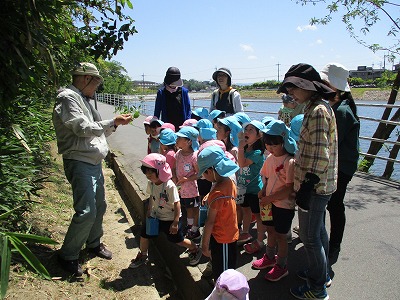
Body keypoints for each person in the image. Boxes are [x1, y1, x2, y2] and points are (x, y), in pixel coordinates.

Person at [52, 62, 133, 276]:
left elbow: (98, 131)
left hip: (93, 162)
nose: (97, 88)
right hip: (80, 161)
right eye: (96, 82)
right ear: (87, 78)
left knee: (99, 205)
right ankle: (68, 255)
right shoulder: (68, 97)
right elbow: (81, 128)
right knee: (86, 210)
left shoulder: (84, 100)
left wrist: (115, 124)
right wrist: (110, 121)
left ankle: (93, 243)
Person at [277, 63, 337, 300]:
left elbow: (321, 153)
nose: (291, 94)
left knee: (310, 238)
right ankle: (321, 272)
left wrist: (308, 185)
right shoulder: (314, 107)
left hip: (315, 186)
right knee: (318, 231)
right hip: (317, 184)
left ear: (307, 87)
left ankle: (317, 286)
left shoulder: (318, 111)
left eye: (294, 89)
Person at [129, 153, 202, 268]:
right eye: (146, 172)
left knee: (178, 241)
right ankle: (143, 255)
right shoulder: (151, 184)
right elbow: (151, 198)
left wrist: (176, 222)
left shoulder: (169, 186)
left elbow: (177, 203)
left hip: (170, 219)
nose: (148, 175)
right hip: (156, 216)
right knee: (144, 234)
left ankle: (195, 248)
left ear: (160, 171)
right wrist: (149, 212)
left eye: (151, 172)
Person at [320, 62, 360, 263]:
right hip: (337, 163)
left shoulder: (342, 112)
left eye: (325, 81)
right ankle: (326, 242)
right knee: (330, 204)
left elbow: (331, 143)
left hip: (341, 166)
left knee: (334, 205)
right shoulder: (334, 106)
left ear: (334, 86)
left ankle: (334, 245)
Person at [252, 120, 297, 282]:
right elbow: (267, 177)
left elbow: (289, 188)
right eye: (268, 144)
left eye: (274, 145)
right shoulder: (270, 158)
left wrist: (269, 197)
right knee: (270, 231)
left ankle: (281, 265)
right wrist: (263, 190)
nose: (270, 148)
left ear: (283, 142)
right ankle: (270, 257)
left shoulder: (289, 162)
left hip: (283, 206)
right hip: (268, 203)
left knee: (281, 236)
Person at [198, 146, 240, 281]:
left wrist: (204, 246)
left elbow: (209, 222)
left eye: (204, 173)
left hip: (223, 238)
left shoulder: (217, 194)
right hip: (225, 233)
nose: (203, 176)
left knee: (224, 274)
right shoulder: (228, 182)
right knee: (220, 267)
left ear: (211, 171)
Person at [236, 120, 266, 253]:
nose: (246, 132)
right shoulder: (245, 149)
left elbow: (242, 163)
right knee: (245, 210)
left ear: (259, 136)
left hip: (254, 190)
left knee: (258, 215)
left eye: (251, 130)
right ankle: (245, 232)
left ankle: (260, 240)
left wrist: (240, 148)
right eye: (246, 129)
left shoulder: (257, 153)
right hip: (243, 187)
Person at [174, 126, 201, 240]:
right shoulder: (179, 153)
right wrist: (175, 177)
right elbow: (175, 167)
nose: (177, 139)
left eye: (180, 138)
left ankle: (193, 228)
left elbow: (199, 174)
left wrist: (187, 179)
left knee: (193, 209)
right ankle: (190, 227)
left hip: (191, 189)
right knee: (187, 209)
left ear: (188, 141)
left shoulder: (194, 156)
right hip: (181, 188)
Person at [154, 67, 191, 131]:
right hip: (167, 126)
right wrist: (155, 125)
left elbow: (188, 110)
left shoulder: (184, 92)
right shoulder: (161, 93)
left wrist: (187, 124)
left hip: (182, 126)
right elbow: (157, 111)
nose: (173, 86)